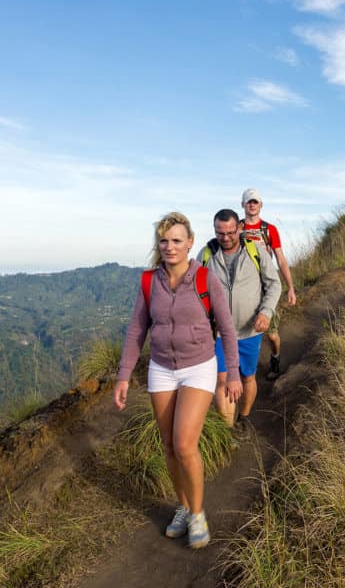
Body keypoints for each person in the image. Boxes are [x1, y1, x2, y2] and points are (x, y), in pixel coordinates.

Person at [114, 212, 243, 550]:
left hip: (199, 366)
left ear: (189, 243)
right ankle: (184, 507)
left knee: (185, 444)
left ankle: (198, 513)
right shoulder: (149, 282)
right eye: (164, 240)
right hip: (161, 368)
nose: (169, 246)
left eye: (176, 240)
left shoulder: (204, 279)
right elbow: (136, 331)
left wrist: (229, 374)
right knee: (169, 446)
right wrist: (123, 376)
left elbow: (227, 329)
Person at [201, 209, 281, 429]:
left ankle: (243, 418)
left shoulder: (255, 251)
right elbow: (196, 290)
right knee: (223, 380)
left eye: (230, 232)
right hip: (218, 334)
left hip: (249, 331)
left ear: (240, 228)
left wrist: (266, 312)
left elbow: (274, 284)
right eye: (220, 233)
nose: (225, 238)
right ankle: (227, 431)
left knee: (247, 378)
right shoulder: (207, 254)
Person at [238, 188, 295, 380]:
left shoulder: (269, 230)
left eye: (255, 202)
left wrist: (290, 288)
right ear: (242, 205)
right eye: (249, 202)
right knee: (241, 330)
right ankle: (242, 370)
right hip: (243, 286)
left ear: (261, 205)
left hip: (265, 286)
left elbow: (281, 259)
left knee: (271, 334)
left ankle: (275, 358)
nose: (252, 205)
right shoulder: (236, 229)